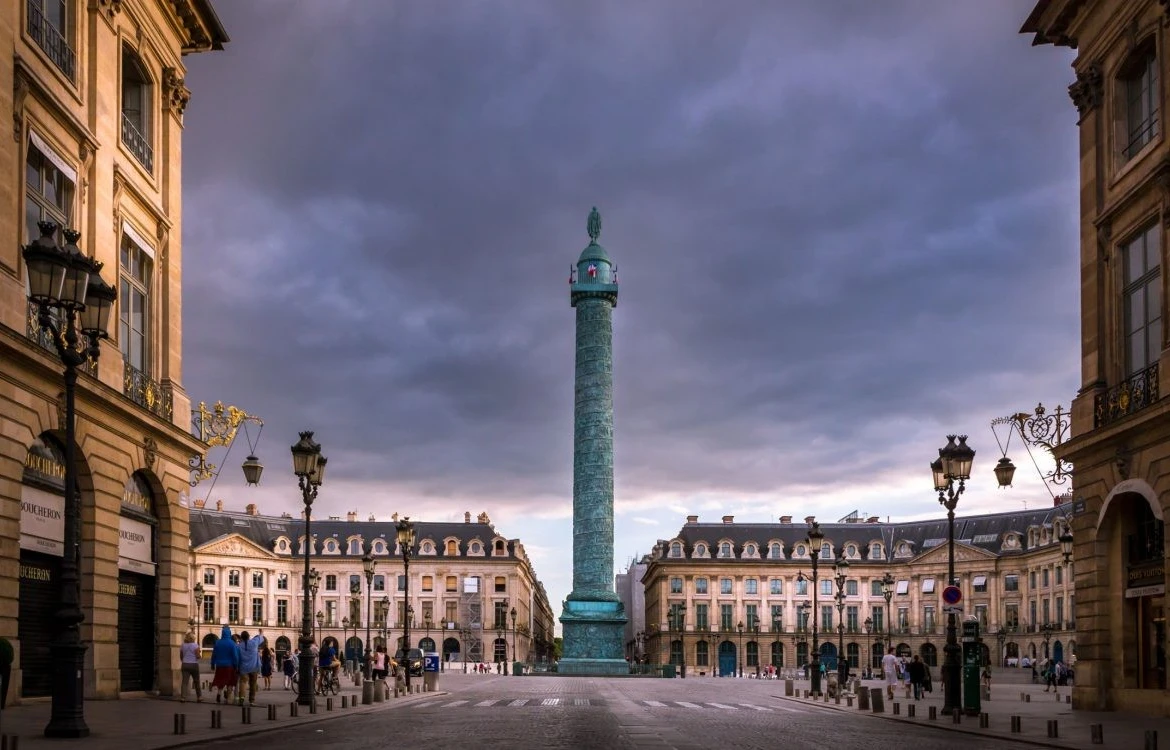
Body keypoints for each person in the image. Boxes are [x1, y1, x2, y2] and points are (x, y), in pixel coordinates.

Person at [209, 625, 240, 704]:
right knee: (230, 682)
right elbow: (235, 656)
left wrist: (212, 664)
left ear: (222, 633)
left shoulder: (217, 643)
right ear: (229, 633)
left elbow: (214, 655)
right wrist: (236, 665)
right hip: (229, 666)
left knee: (221, 681)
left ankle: (219, 694)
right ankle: (229, 698)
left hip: (219, 666)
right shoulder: (232, 643)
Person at [237, 630, 266, 705]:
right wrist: (261, 632)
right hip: (254, 667)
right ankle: (251, 701)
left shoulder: (239, 646)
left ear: (242, 638)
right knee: (253, 684)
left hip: (243, 668)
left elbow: (237, 657)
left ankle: (241, 698)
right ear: (249, 636)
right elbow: (260, 637)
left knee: (243, 682)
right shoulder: (254, 642)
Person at [179, 631, 202, 703]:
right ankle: (199, 697)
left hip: (185, 664)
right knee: (196, 681)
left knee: (184, 682)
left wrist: (185, 660)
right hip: (194, 665)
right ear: (193, 638)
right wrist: (199, 654)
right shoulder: (195, 645)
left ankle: (183, 697)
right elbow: (198, 656)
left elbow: (181, 657)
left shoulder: (183, 645)